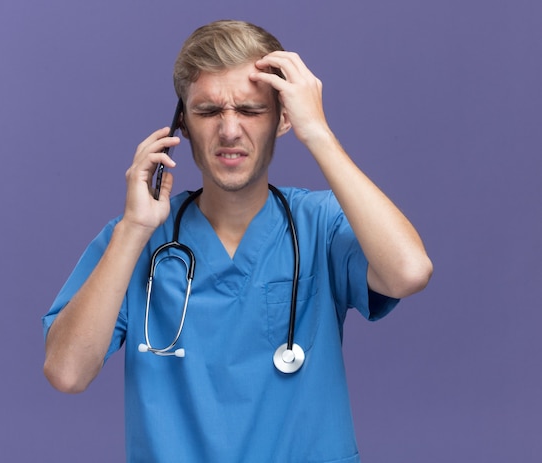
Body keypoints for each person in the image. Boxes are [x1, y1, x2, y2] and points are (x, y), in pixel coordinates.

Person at [42, 19, 433, 463]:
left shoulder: (319, 225)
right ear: (182, 126)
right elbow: (67, 373)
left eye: (250, 110)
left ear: (284, 118)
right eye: (208, 112)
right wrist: (134, 229)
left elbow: (409, 271)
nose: (229, 131)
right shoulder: (135, 240)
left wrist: (319, 134)